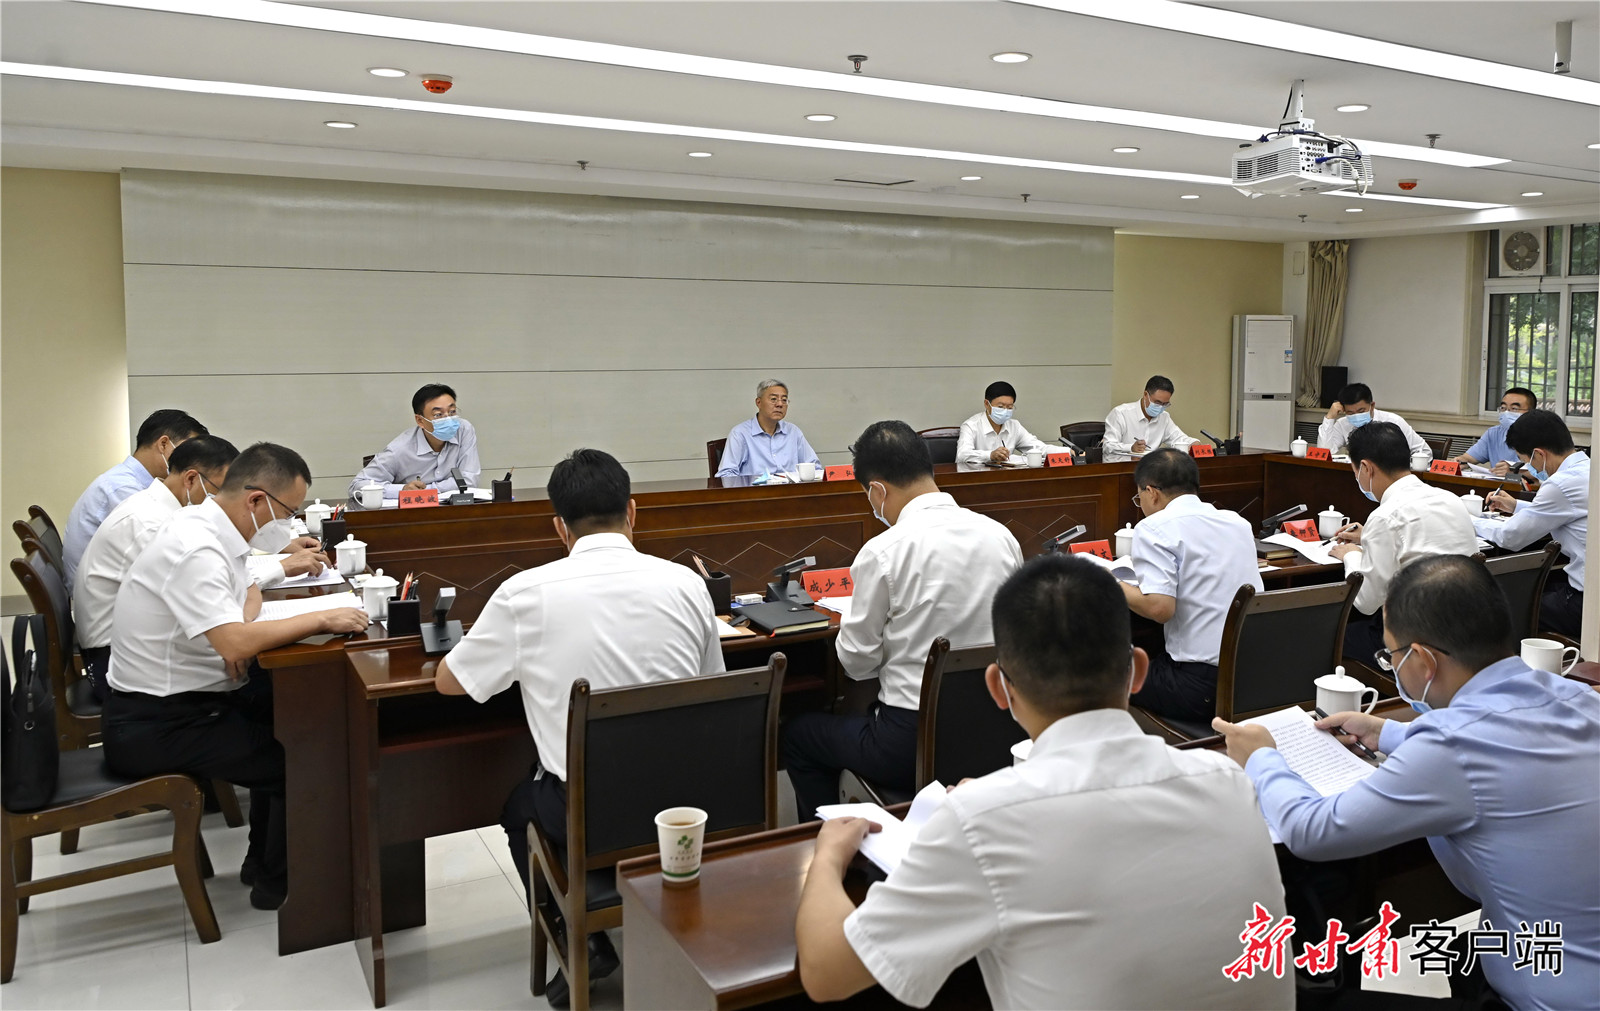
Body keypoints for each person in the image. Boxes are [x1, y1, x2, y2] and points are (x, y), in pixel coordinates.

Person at [796, 555, 1291, 1010]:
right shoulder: (1229, 782)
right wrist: (987, 807)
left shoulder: (981, 823)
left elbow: (826, 973)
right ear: (1138, 671)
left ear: (998, 687)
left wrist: (829, 855)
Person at [1214, 555, 1599, 1011]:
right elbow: (1493, 739)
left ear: (1422, 659)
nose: (1392, 664)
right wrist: (1388, 733)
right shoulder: (1577, 697)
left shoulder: (1452, 745)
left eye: (1391, 655)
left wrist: (1261, 757)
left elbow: (1313, 831)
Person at [434, 448, 723, 1007]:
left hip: (591, 811)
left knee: (519, 808)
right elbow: (712, 685)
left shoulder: (525, 593)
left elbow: (453, 682)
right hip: (689, 799)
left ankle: (579, 941)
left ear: (559, 528)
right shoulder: (688, 584)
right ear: (632, 512)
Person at [101, 443, 370, 911]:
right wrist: (320, 619)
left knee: (291, 721)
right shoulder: (195, 544)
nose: (289, 524)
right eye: (289, 512)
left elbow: (247, 590)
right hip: (156, 721)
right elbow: (234, 644)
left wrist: (237, 634)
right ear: (256, 500)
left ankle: (262, 864)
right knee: (299, 761)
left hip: (189, 699)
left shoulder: (212, 525)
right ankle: (279, 888)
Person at [780, 421, 1022, 821]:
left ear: (877, 491)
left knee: (800, 735)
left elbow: (856, 664)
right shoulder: (1001, 537)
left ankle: (832, 842)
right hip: (1000, 726)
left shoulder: (883, 551)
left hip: (910, 743)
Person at [73, 435, 239, 699]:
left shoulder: (157, 507)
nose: (222, 500)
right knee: (247, 668)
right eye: (220, 490)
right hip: (113, 658)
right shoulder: (149, 522)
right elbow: (197, 589)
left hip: (129, 642)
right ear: (191, 479)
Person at [1121, 449, 1263, 724]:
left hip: (1198, 687)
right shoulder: (1238, 522)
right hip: (1251, 675)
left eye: (1139, 498)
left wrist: (1110, 581)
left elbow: (1159, 608)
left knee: (1099, 673)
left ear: (1151, 492)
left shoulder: (1154, 527)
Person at [1329, 423, 1477, 660]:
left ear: (1365, 468)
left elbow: (1366, 602)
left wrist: (1351, 555)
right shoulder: (1450, 499)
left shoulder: (1384, 516)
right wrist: (1369, 536)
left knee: (1327, 636)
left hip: (1414, 641)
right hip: (1466, 631)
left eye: (1355, 471)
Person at [62, 409, 209, 588]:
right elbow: (166, 547)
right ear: (164, 444)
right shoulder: (123, 488)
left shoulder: (131, 481)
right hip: (99, 592)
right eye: (188, 452)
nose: (193, 463)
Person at [1478, 409, 1587, 638]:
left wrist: (1467, 519)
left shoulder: (1561, 483)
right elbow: (1565, 512)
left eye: (1526, 461)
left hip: (1583, 604)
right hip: (1587, 590)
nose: (1531, 469)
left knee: (1497, 608)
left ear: (1539, 454)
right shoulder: (1588, 469)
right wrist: (1516, 506)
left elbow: (1510, 537)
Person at [348, 383, 480, 500]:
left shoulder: (463, 429)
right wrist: (402, 490)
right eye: (438, 415)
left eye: (452, 412)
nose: (448, 419)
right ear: (420, 420)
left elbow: (469, 480)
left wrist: (427, 491)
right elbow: (357, 485)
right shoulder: (400, 449)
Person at [715, 379, 821, 479]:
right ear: (758, 402)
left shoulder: (793, 431)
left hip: (790, 490)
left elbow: (815, 467)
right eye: (773, 399)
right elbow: (726, 475)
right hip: (756, 491)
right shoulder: (740, 434)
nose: (780, 404)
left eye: (784, 400)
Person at [1317, 382, 1432, 470]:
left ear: (1372, 406)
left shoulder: (1393, 421)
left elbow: (1425, 452)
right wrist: (1329, 418)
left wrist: (1400, 469)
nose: (1356, 416)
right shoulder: (1343, 423)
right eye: (1350, 413)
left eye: (1361, 411)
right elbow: (1324, 453)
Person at [1101, 375, 1197, 462]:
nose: (1161, 407)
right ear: (1146, 395)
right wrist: (1131, 448)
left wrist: (1193, 443)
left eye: (1165, 404)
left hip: (1150, 470)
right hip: (1120, 469)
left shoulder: (1164, 417)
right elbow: (1108, 446)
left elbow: (1178, 438)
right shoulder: (1121, 413)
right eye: (1157, 402)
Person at [955, 380, 1050, 466]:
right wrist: (990, 455)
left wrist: (1060, 452)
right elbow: (962, 455)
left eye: (1010, 407)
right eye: (1000, 407)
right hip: (978, 476)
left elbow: (1040, 448)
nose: (1005, 411)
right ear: (987, 404)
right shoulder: (970, 426)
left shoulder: (1014, 426)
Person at [1453, 387, 1536, 476]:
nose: (1506, 413)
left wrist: (1515, 471)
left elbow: (1544, 473)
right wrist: (1461, 461)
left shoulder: (1540, 435)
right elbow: (1469, 458)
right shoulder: (1493, 433)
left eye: (1514, 408)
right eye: (1503, 408)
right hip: (1497, 483)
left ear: (1531, 412)